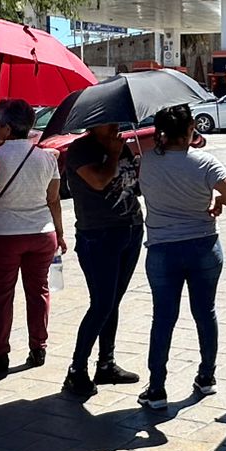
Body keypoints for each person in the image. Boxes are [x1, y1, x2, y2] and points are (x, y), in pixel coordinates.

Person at [136, 105, 226, 410]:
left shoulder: (148, 163)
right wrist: (220, 199)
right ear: (189, 129)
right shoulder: (205, 162)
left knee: (163, 319)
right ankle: (206, 377)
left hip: (162, 249)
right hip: (203, 246)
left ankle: (156, 389)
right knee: (205, 312)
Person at [61, 121, 146, 400]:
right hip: (99, 235)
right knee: (101, 304)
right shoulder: (80, 150)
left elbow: (134, 184)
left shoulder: (119, 146)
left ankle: (106, 363)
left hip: (130, 228)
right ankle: (77, 369)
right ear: (92, 124)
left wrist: (139, 162)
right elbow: (98, 180)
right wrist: (112, 154)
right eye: (107, 123)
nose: (113, 127)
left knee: (113, 301)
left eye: (115, 122)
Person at [0, 99, 67, 378]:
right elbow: (53, 200)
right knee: (39, 291)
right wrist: (60, 233)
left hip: (2, 234)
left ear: (5, 127)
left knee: (1, 295)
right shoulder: (46, 156)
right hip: (42, 233)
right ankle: (38, 346)